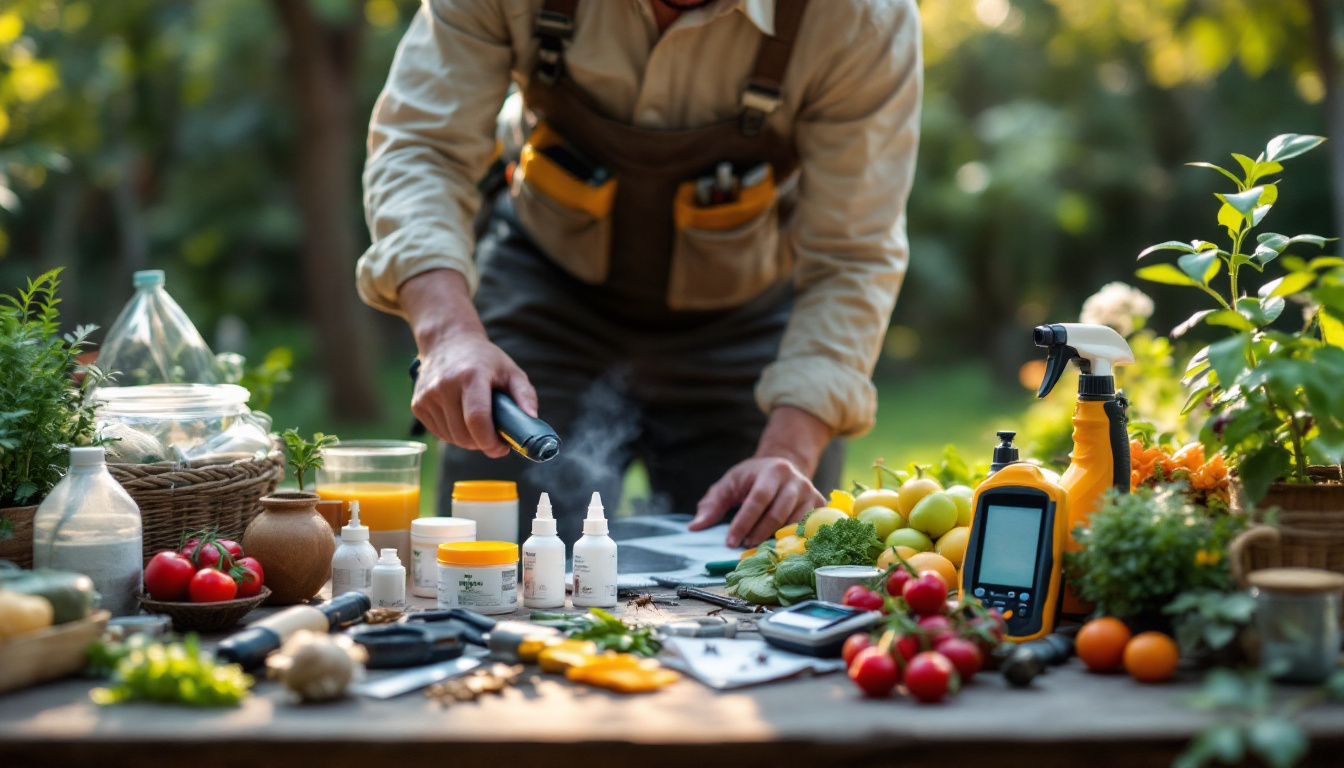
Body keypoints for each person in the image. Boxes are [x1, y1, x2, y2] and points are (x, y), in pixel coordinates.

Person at [358, 0, 921, 547]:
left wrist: (791, 451)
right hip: (544, 294)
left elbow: (853, 252)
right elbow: (423, 148)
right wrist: (449, 335)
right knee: (492, 571)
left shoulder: (861, 18)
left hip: (750, 322)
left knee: (764, 565)